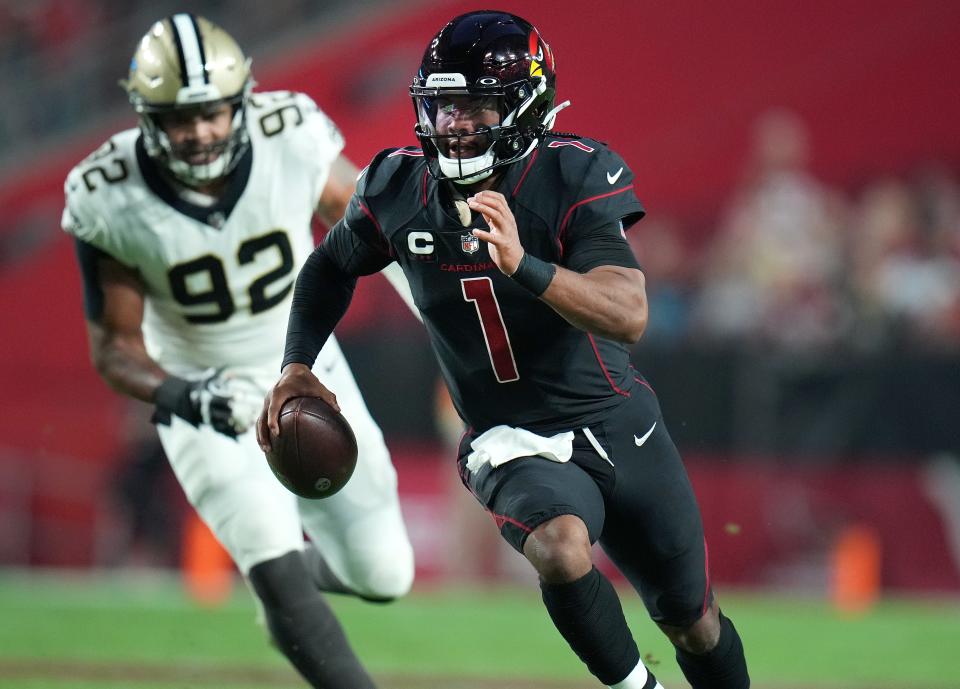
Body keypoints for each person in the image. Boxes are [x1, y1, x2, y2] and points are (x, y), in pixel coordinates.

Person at [259, 10, 749, 689]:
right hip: (508, 435)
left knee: (694, 620)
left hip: (616, 420)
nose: (454, 124)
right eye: (442, 107)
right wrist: (296, 364)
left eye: (475, 107)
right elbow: (328, 266)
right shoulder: (397, 187)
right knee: (559, 545)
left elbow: (628, 313)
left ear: (523, 105)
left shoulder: (574, 173)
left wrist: (526, 266)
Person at [61, 14, 414, 689]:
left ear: (243, 101)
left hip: (306, 368)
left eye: (212, 113)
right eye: (177, 118)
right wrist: (181, 395)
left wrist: (433, 309)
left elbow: (374, 227)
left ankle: (289, 598)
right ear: (143, 117)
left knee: (385, 573)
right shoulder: (108, 193)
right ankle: (282, 593)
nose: (197, 132)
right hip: (205, 392)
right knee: (274, 565)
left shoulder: (291, 137)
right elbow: (114, 347)